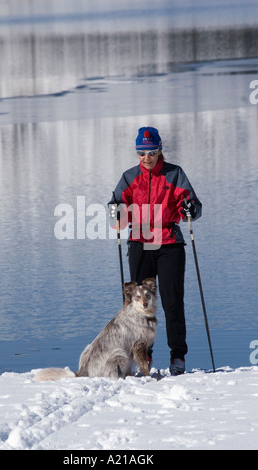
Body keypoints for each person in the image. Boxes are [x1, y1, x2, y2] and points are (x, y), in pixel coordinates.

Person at [108, 126, 202, 376]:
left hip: (169, 243)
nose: (146, 158)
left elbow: (192, 205)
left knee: (172, 302)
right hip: (140, 244)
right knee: (139, 305)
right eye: (141, 153)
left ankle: (178, 356)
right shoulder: (129, 177)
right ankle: (143, 356)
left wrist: (190, 208)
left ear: (160, 150)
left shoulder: (174, 174)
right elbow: (117, 206)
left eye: (151, 152)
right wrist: (115, 210)